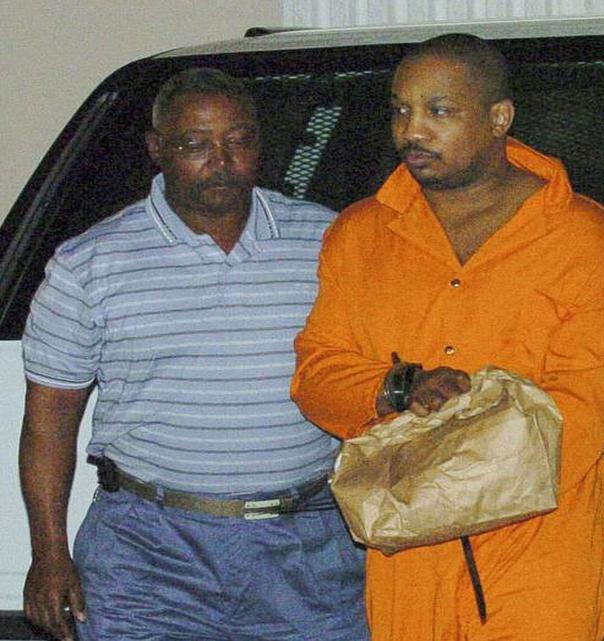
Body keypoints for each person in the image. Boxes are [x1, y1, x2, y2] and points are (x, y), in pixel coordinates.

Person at [291, 33, 604, 641]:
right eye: (400, 110)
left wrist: (451, 453)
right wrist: (400, 387)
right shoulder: (359, 234)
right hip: (407, 547)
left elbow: (581, 414)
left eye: (439, 111)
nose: (413, 130)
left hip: (535, 539)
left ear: (499, 118)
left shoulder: (587, 241)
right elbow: (316, 375)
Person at [19, 68, 368, 641]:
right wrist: (49, 555)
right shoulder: (90, 263)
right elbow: (50, 422)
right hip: (147, 555)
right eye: (194, 144)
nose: (221, 161)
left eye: (238, 141)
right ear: (157, 150)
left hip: (309, 550)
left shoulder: (328, 241)